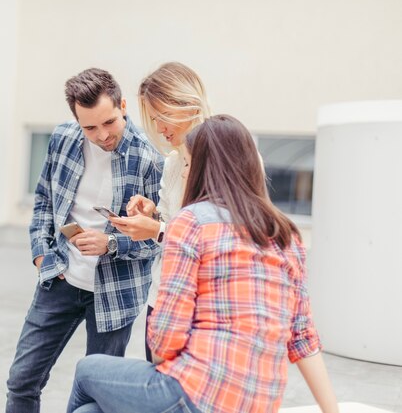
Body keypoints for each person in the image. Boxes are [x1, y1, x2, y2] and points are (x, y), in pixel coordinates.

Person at [67, 115, 338, 413]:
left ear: (205, 168)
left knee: (86, 369)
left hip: (196, 394)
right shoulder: (285, 234)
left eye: (186, 164)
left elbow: (164, 343)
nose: (183, 174)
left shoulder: (191, 222)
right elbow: (303, 339)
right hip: (258, 404)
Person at [5, 68, 164, 413]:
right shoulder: (63, 138)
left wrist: (111, 243)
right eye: (89, 127)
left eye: (109, 122)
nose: (102, 135)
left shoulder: (151, 157)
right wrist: (42, 258)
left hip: (116, 293)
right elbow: (44, 203)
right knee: (21, 381)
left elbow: (159, 239)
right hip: (60, 280)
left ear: (123, 105)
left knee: (95, 398)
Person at [109, 62, 210, 361]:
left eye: (163, 117)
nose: (159, 128)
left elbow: (222, 240)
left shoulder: (229, 154)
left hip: (203, 304)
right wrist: (154, 217)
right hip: (162, 296)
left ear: (187, 102)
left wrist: (157, 230)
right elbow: (170, 226)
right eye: (153, 119)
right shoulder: (172, 162)